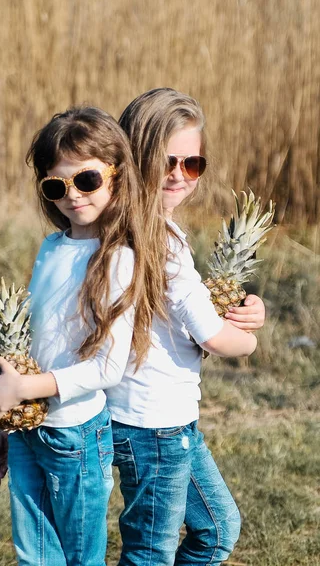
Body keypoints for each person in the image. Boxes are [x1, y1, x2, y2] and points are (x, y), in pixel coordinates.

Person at [0, 106, 165, 566]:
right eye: (56, 186)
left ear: (117, 177)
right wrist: (5, 422)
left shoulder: (118, 259)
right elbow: (27, 345)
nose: (73, 196)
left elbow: (107, 367)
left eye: (87, 181)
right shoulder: (50, 248)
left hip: (75, 436)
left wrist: (25, 389)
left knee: (81, 557)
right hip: (27, 430)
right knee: (34, 555)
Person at [107, 87, 265, 566]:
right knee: (149, 554)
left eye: (193, 164)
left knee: (217, 529)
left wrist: (242, 311)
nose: (179, 176)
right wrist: (251, 339)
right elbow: (211, 334)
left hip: (165, 420)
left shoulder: (138, 228)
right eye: (167, 162)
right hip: (153, 423)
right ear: (135, 159)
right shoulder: (160, 241)